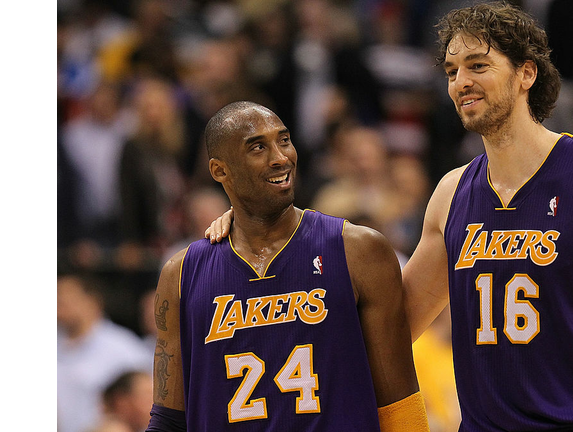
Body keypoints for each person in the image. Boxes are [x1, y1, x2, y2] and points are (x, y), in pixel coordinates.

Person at [205, 3, 573, 431]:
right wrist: (258, 224)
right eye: (451, 71)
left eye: (478, 66)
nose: (460, 82)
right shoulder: (452, 195)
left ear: (525, 74)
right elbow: (389, 327)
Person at [146, 101, 429, 431]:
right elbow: (168, 420)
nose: (281, 157)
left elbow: (400, 405)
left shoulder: (359, 251)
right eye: (257, 147)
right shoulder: (180, 275)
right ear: (220, 170)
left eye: (284, 140)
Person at [58, 273, 153, 432]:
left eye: (65, 300)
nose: (58, 307)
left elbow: (148, 404)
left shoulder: (124, 348)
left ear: (92, 301)